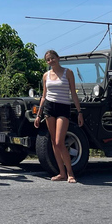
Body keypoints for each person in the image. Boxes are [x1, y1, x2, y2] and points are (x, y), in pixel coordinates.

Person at [33, 49, 84, 183]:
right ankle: (61, 173)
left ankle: (70, 173)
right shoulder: (46, 75)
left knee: (59, 141)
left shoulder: (68, 73)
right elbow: (44, 96)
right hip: (49, 107)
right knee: (54, 143)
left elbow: (73, 93)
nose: (50, 61)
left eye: (52, 58)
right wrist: (38, 115)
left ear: (58, 58)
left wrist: (79, 112)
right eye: (48, 60)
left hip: (63, 107)